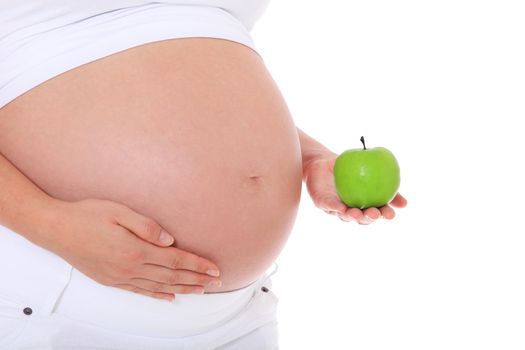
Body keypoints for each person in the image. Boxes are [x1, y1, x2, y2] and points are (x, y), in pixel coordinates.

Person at [0, 1, 408, 349]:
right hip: (61, 304)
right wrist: (48, 223)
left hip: (240, 318)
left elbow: (187, 74)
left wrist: (307, 154)